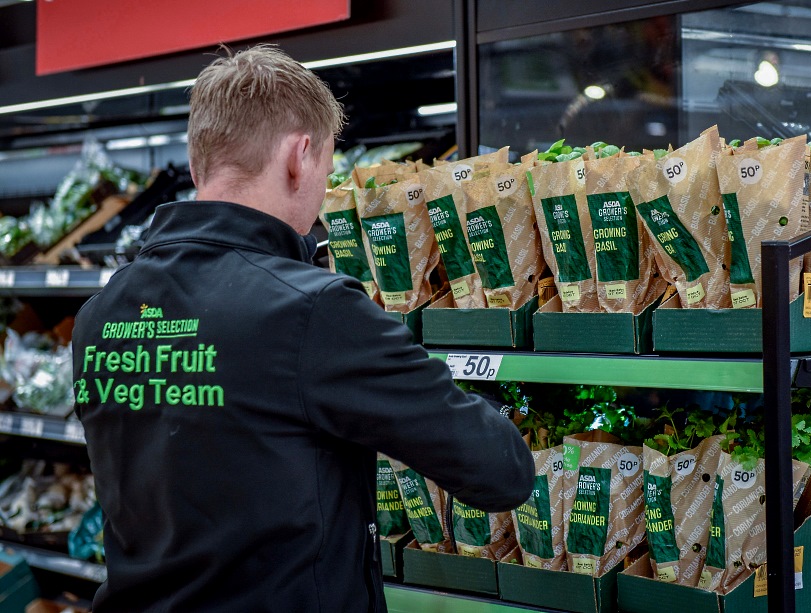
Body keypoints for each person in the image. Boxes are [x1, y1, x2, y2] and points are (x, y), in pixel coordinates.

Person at [71, 45, 534, 612]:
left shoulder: (100, 314)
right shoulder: (311, 310)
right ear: (299, 156)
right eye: (327, 169)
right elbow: (500, 471)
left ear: (197, 167)